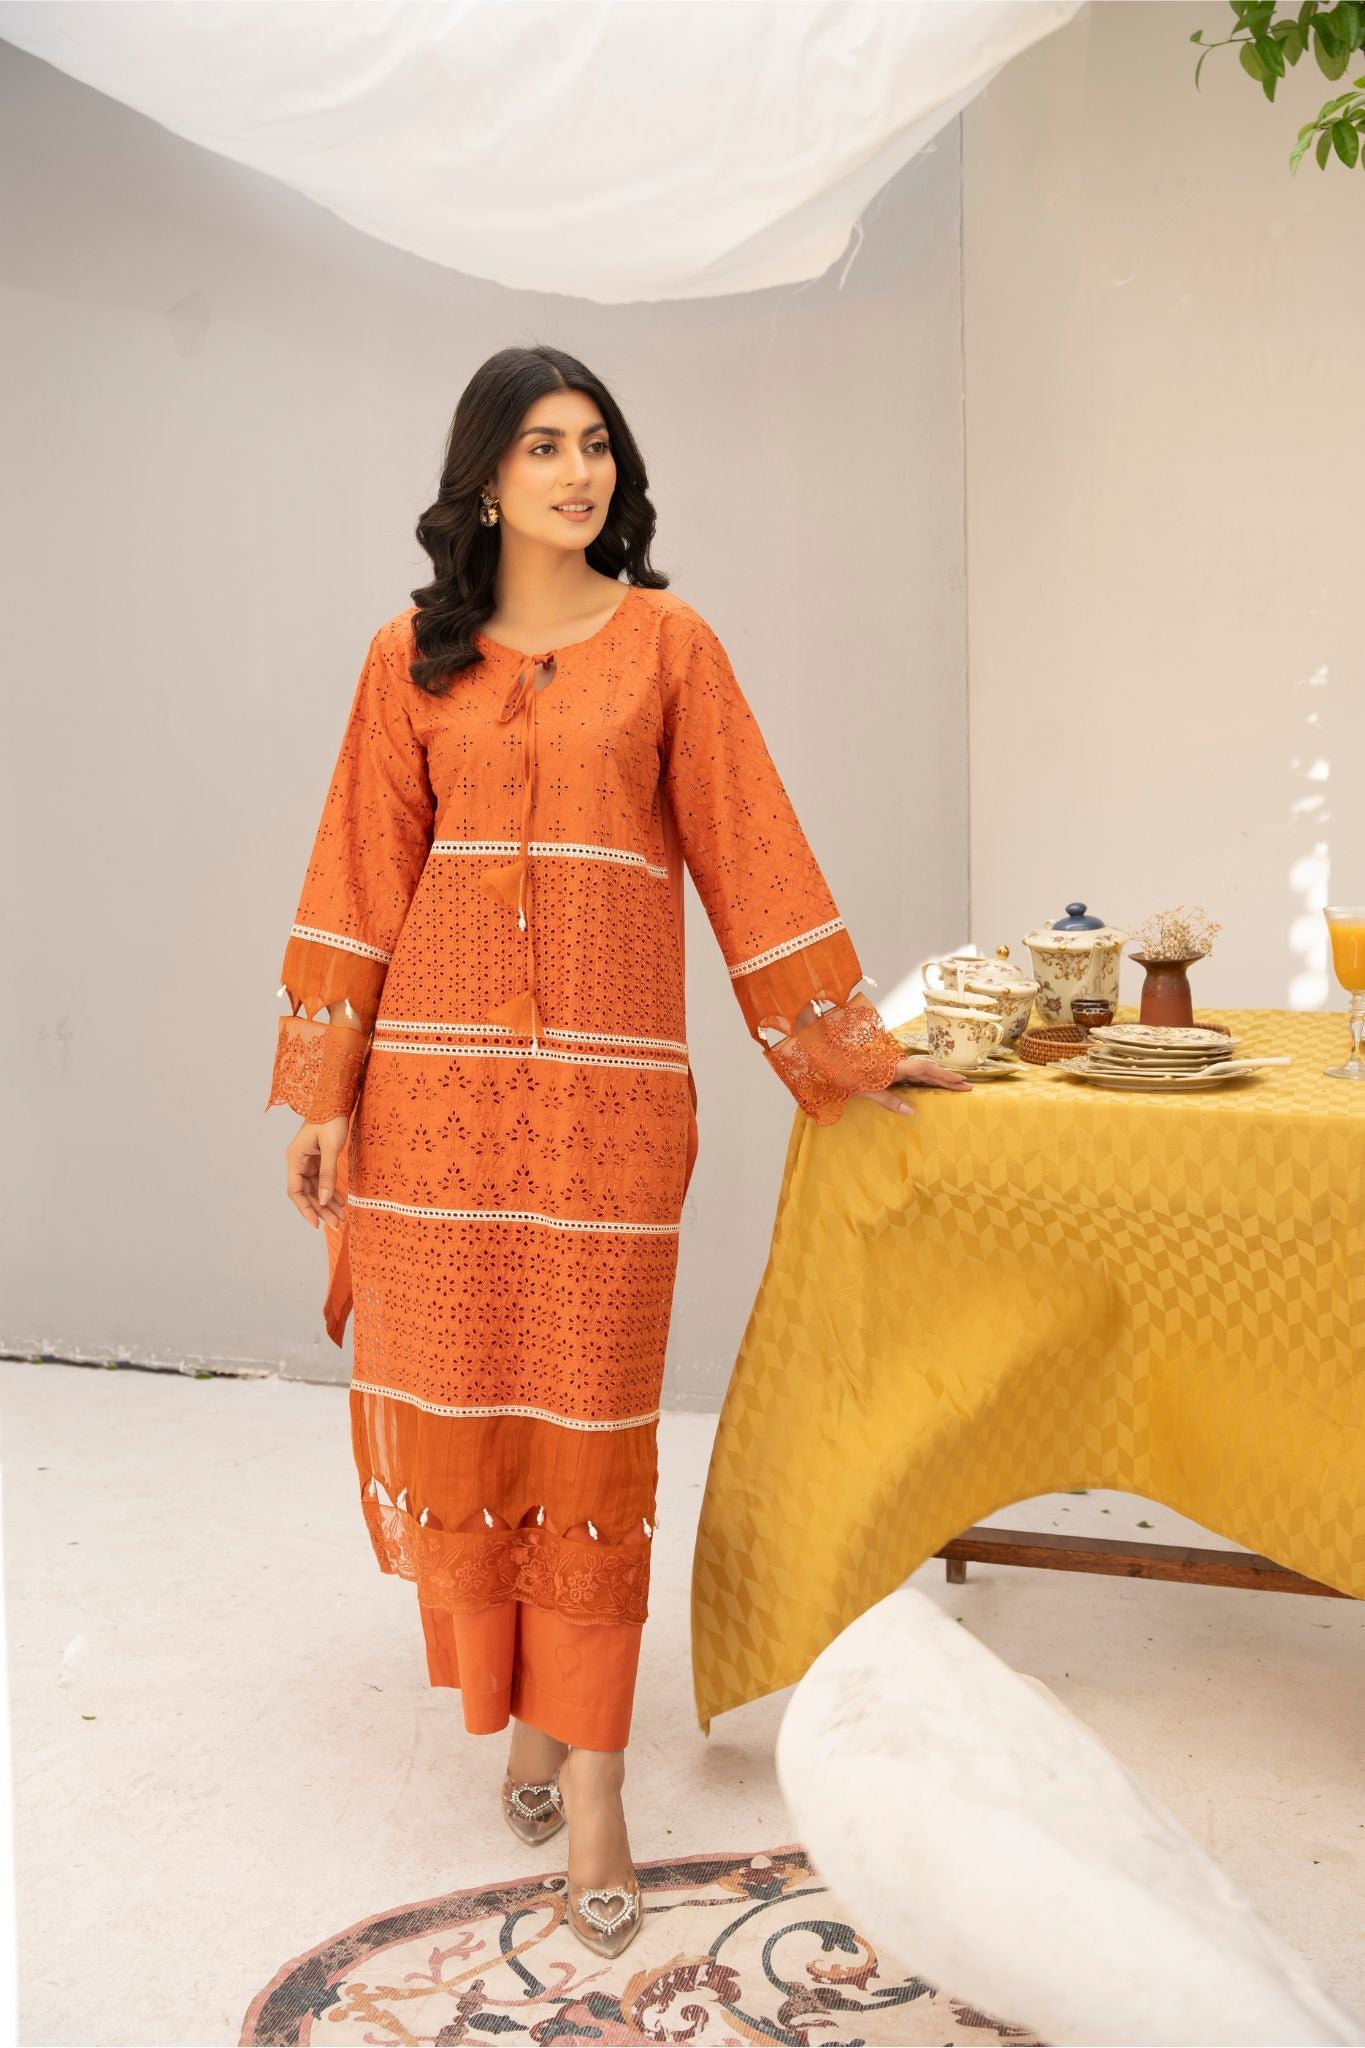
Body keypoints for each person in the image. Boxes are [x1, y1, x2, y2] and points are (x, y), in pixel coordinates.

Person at [265, 343, 969, 1958]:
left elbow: (750, 853)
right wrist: (322, 1092)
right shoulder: (407, 661)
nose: (576, 472)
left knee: (588, 1434)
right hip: (434, 1117)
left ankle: (594, 1784)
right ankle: (528, 1722)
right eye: (541, 446)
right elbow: (359, 873)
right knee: (473, 1414)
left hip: (605, 1118)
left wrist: (843, 1050)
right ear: (484, 478)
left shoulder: (669, 645)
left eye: (594, 444)